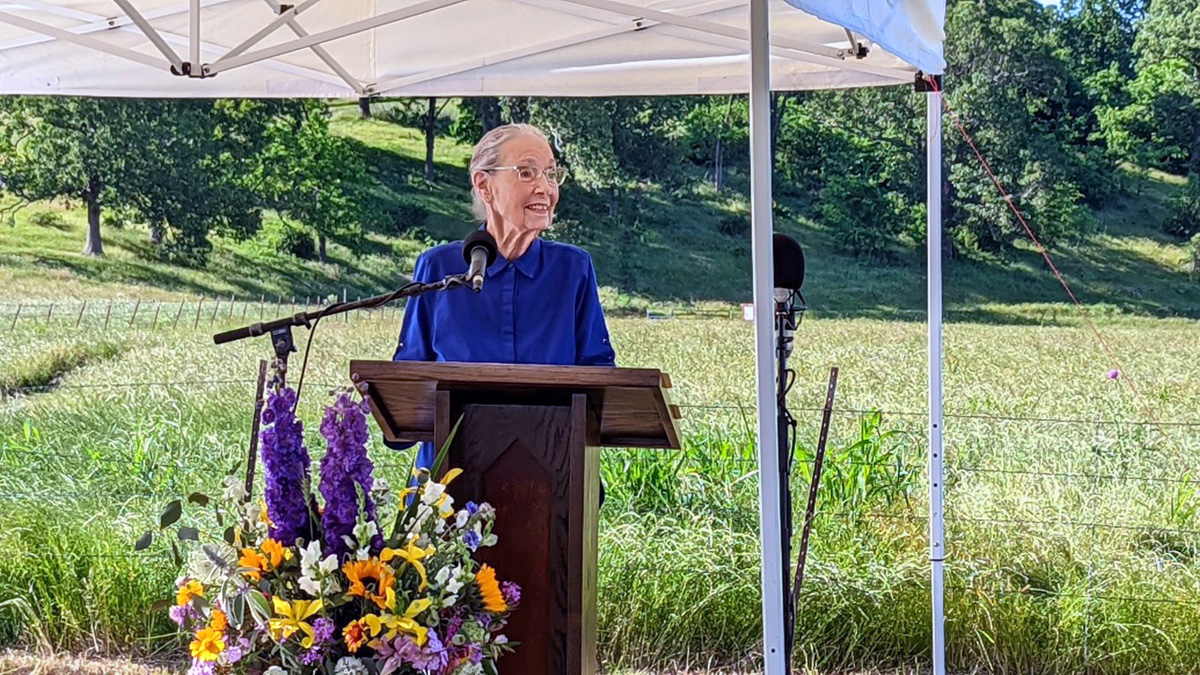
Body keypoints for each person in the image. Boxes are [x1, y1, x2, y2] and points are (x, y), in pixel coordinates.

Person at [393, 123, 616, 474]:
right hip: (448, 488)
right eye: (527, 173)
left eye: (552, 173)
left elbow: (600, 379)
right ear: (484, 185)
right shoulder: (439, 267)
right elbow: (406, 385)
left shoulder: (572, 269)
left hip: (552, 481)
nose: (545, 187)